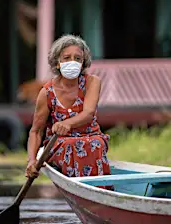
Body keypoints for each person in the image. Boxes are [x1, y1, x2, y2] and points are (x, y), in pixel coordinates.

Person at [25, 34, 112, 190]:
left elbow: (88, 113)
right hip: (59, 144)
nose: (72, 62)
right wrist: (31, 161)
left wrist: (67, 123)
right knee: (71, 144)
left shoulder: (92, 82)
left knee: (95, 143)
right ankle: (83, 190)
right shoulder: (47, 93)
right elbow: (36, 131)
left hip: (91, 138)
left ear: (83, 63)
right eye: (67, 58)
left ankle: (100, 190)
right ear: (58, 63)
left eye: (77, 59)